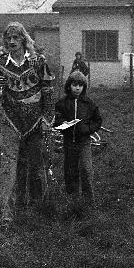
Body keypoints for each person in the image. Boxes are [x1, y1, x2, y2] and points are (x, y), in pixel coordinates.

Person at [0, 22, 55, 222]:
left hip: (35, 123)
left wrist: (47, 118)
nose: (11, 42)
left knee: (37, 166)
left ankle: (40, 209)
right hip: (10, 122)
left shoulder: (38, 62)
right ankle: (7, 214)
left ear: (23, 40)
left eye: (16, 38)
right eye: (8, 38)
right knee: (8, 167)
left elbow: (48, 92)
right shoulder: (0, 64)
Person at [54, 70, 102, 216]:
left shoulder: (89, 104)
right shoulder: (62, 103)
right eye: (74, 85)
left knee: (86, 170)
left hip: (84, 142)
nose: (77, 88)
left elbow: (98, 121)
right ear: (69, 86)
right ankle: (73, 201)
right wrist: (63, 124)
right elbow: (56, 120)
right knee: (70, 171)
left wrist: (87, 129)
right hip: (69, 143)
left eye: (80, 85)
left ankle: (89, 203)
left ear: (84, 87)